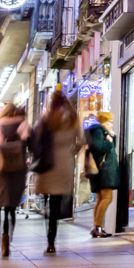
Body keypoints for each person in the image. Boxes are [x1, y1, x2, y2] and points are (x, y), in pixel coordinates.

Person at [31, 88, 83, 254]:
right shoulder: (74, 118)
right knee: (56, 203)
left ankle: (50, 239)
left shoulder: (46, 118)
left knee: (48, 203)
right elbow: (81, 140)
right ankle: (52, 239)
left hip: (48, 162)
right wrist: (71, 152)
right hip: (64, 163)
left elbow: (35, 140)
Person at [0, 103, 31, 258]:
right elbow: (35, 147)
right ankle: (8, 239)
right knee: (11, 208)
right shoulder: (23, 126)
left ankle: (1, 239)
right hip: (17, 170)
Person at [85, 110, 117, 237]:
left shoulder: (100, 131)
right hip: (104, 170)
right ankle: (97, 227)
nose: (111, 125)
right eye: (110, 122)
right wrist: (109, 141)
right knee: (107, 198)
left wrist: (111, 137)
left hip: (101, 170)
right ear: (104, 122)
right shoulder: (99, 131)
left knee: (100, 199)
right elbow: (97, 147)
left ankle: (96, 227)